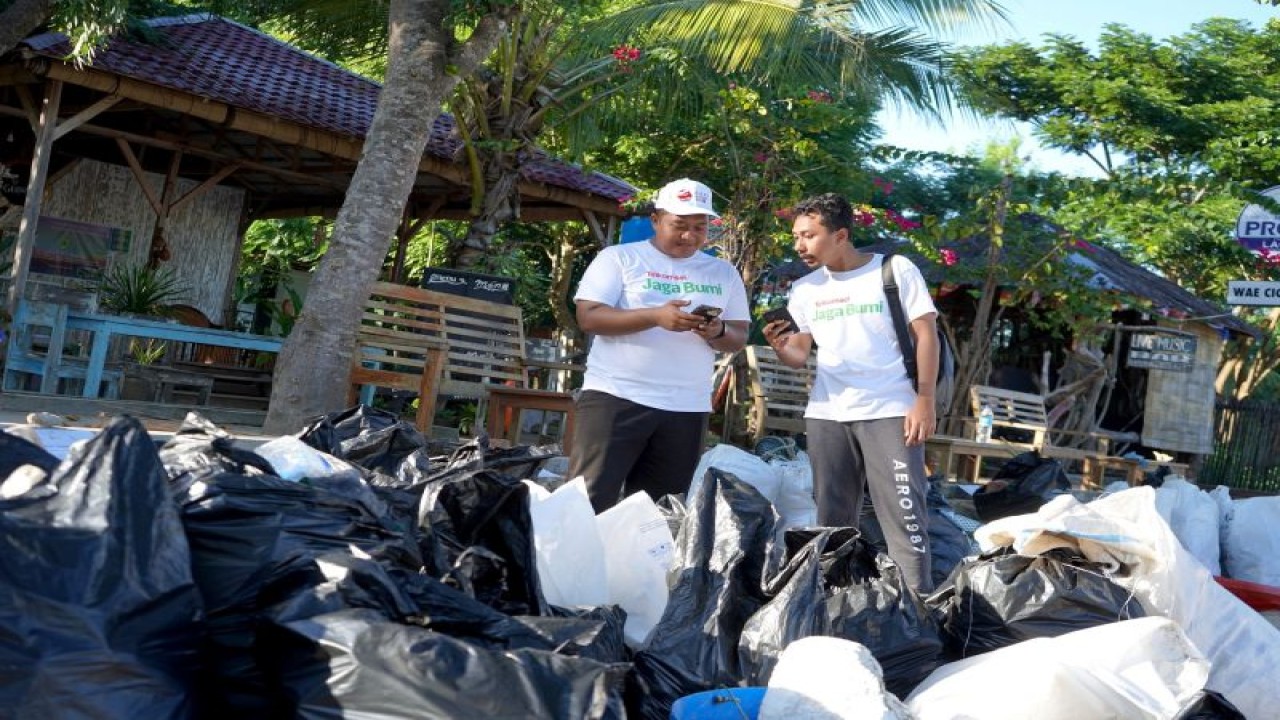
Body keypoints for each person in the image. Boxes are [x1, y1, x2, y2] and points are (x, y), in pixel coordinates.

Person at [763, 192, 940, 592]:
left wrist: (924, 399)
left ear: (840, 234)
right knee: (832, 517)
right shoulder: (806, 288)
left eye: (809, 236)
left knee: (903, 514)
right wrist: (780, 344)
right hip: (828, 412)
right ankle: (835, 599)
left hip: (891, 408)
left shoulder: (893, 271)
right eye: (796, 237)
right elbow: (798, 355)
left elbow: (926, 335)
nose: (800, 246)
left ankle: (917, 608)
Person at [568, 178, 750, 512]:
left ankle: (641, 566)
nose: (689, 236)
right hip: (615, 396)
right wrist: (655, 317)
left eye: (699, 227)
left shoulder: (722, 273)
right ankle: (572, 564)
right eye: (679, 225)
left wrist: (715, 329)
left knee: (662, 510)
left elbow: (738, 337)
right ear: (655, 220)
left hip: (687, 406)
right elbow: (589, 317)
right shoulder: (619, 258)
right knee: (589, 501)